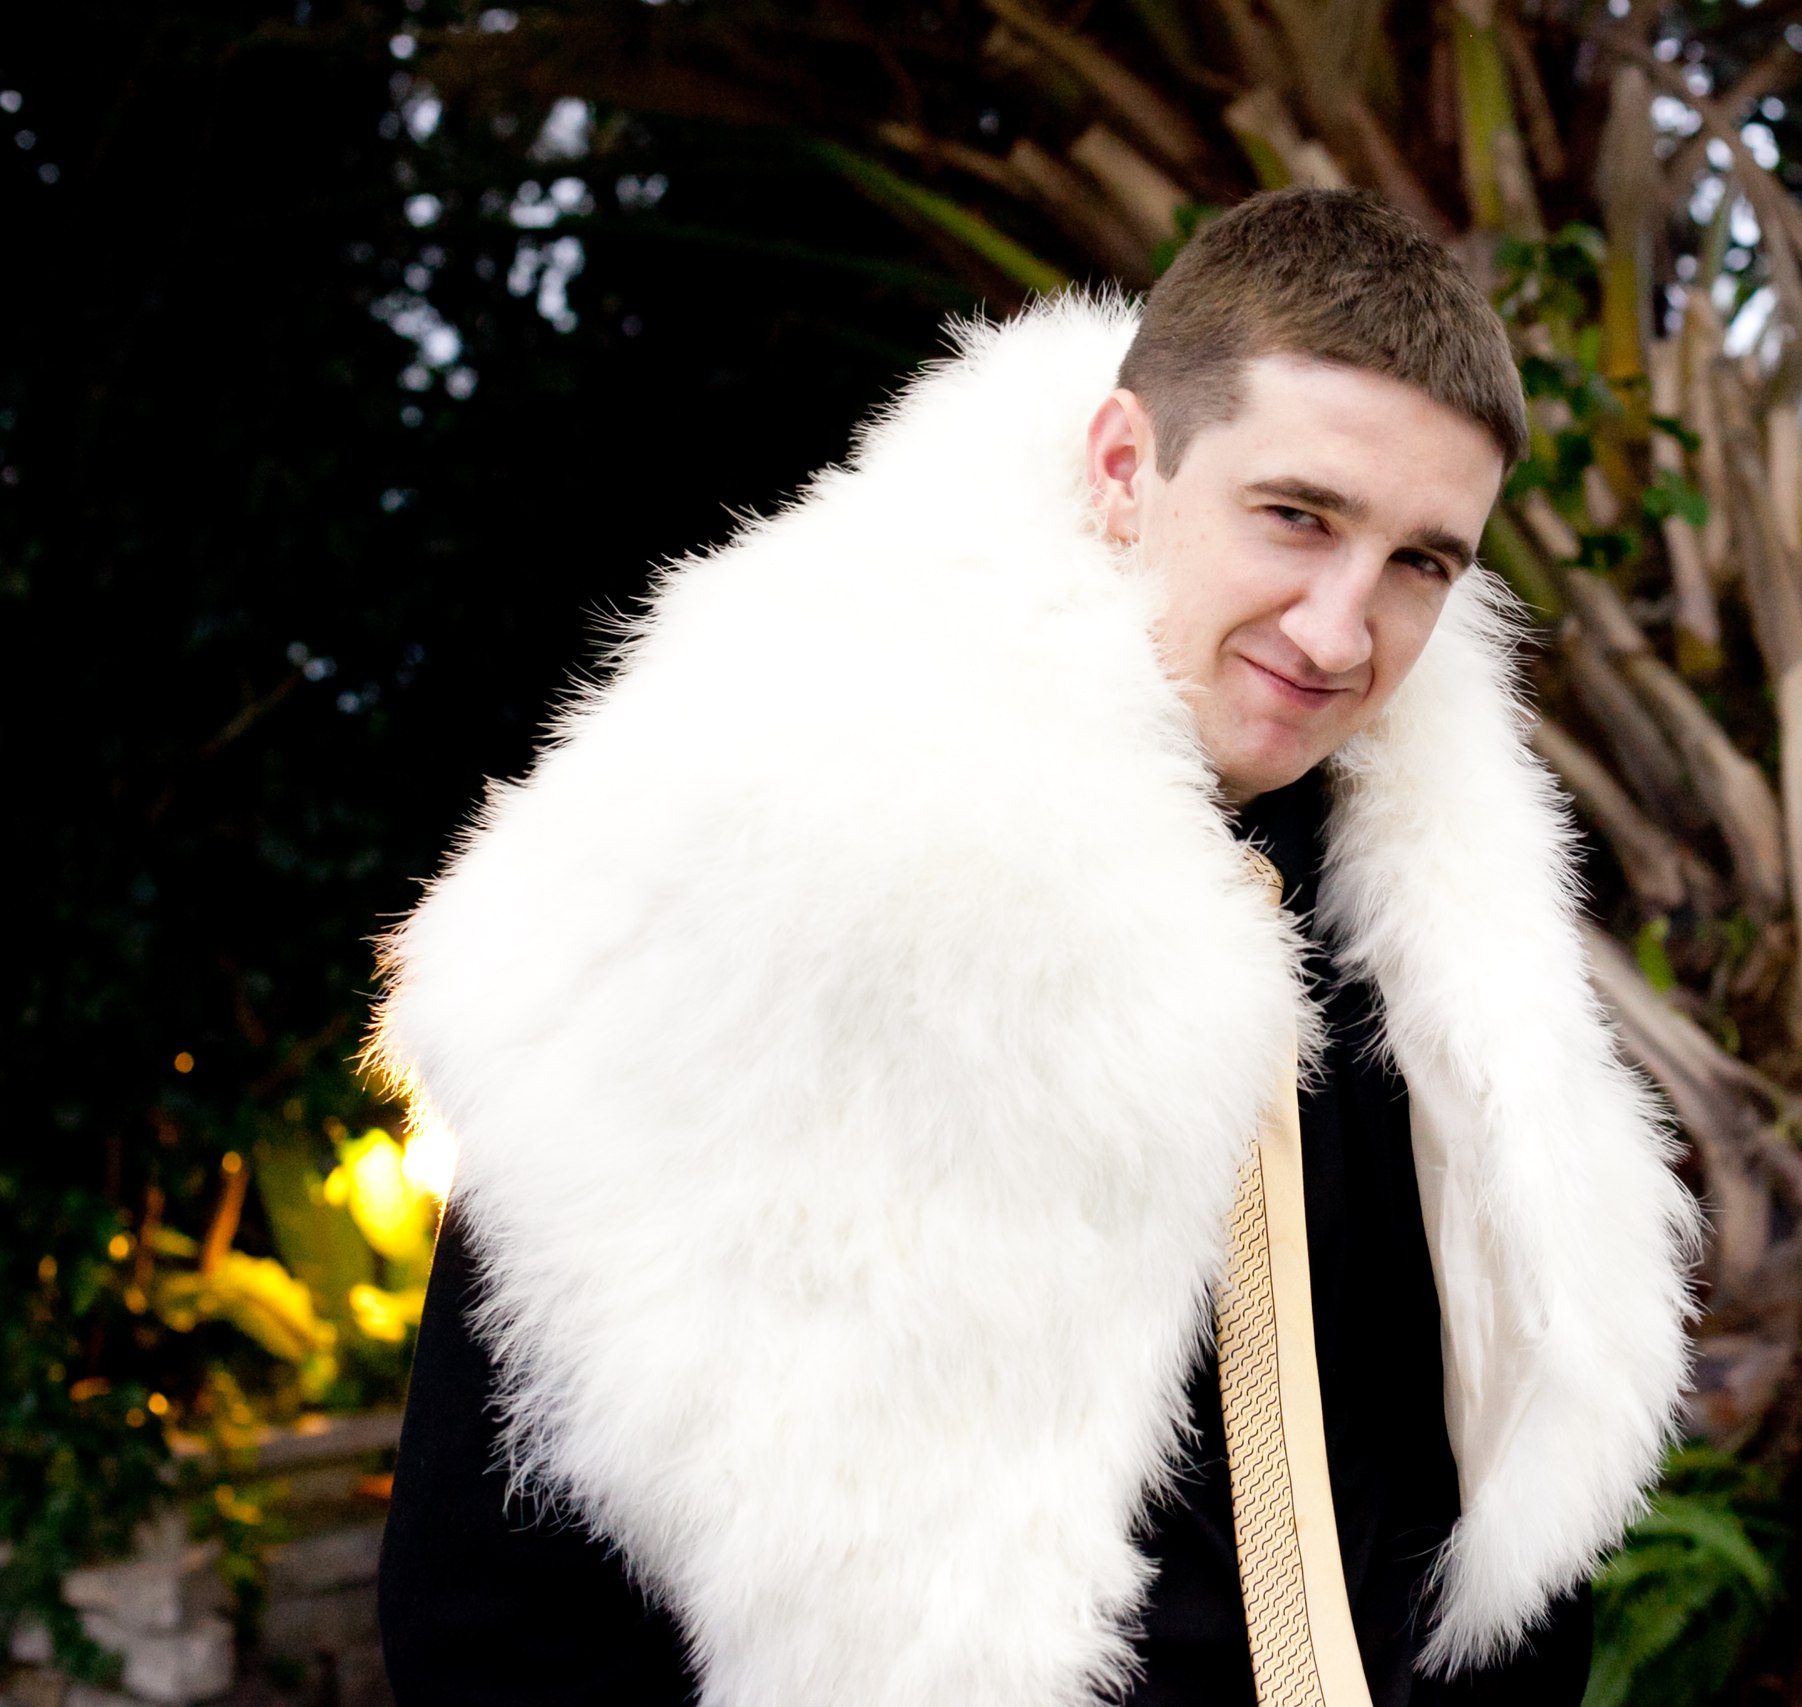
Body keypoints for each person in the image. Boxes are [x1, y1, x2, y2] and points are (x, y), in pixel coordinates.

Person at [371, 187, 1696, 1707]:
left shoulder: (1444, 934)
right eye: (1297, 517)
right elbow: (492, 1612)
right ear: (1126, 464)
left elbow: (1483, 1493)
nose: (1341, 634)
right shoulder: (754, 835)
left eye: (1420, 564)